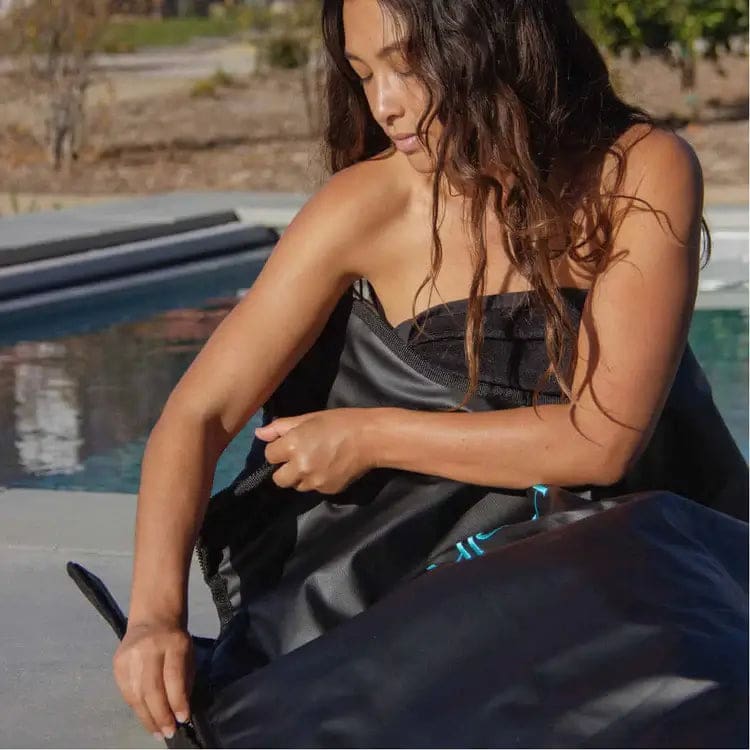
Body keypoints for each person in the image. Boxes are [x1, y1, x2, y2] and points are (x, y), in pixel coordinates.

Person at [110, 0, 746, 742]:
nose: (384, 104)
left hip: (621, 558)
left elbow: (600, 441)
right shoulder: (368, 207)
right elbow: (197, 415)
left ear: (492, 40)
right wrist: (153, 616)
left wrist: (369, 435)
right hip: (430, 581)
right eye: (363, 73)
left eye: (407, 65)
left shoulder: (637, 172)